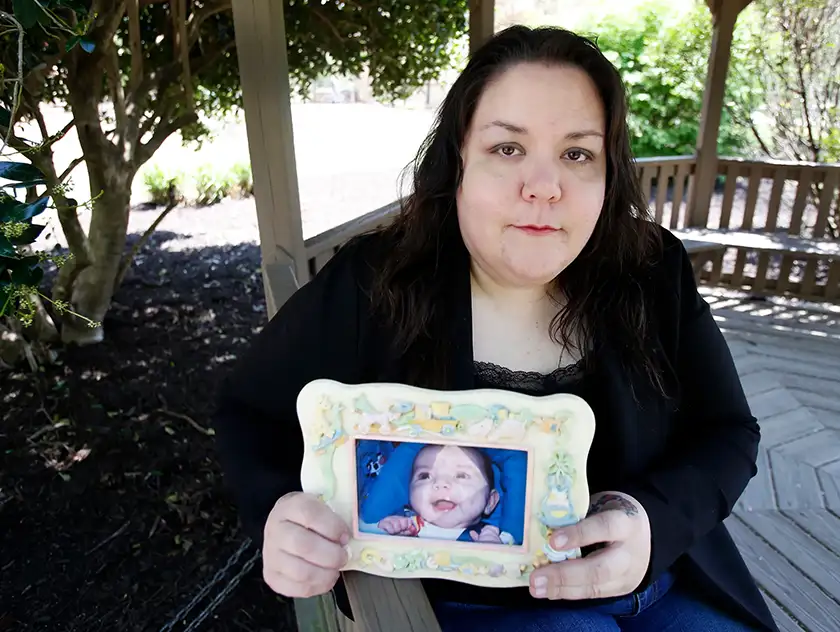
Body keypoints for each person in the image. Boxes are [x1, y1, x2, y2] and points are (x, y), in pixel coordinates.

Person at [213, 25, 777, 632]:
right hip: (488, 611)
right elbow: (250, 413)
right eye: (508, 149)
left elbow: (728, 430)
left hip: (664, 584)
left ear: (607, 173)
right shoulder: (376, 282)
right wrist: (280, 514)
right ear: (459, 159)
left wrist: (650, 521)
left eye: (577, 153)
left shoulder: (651, 268)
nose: (543, 187)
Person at [374, 444, 515, 545]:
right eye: (425, 476)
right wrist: (386, 528)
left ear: (490, 502)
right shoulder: (405, 524)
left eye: (461, 475)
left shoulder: (495, 536)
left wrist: (495, 551)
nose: (441, 483)